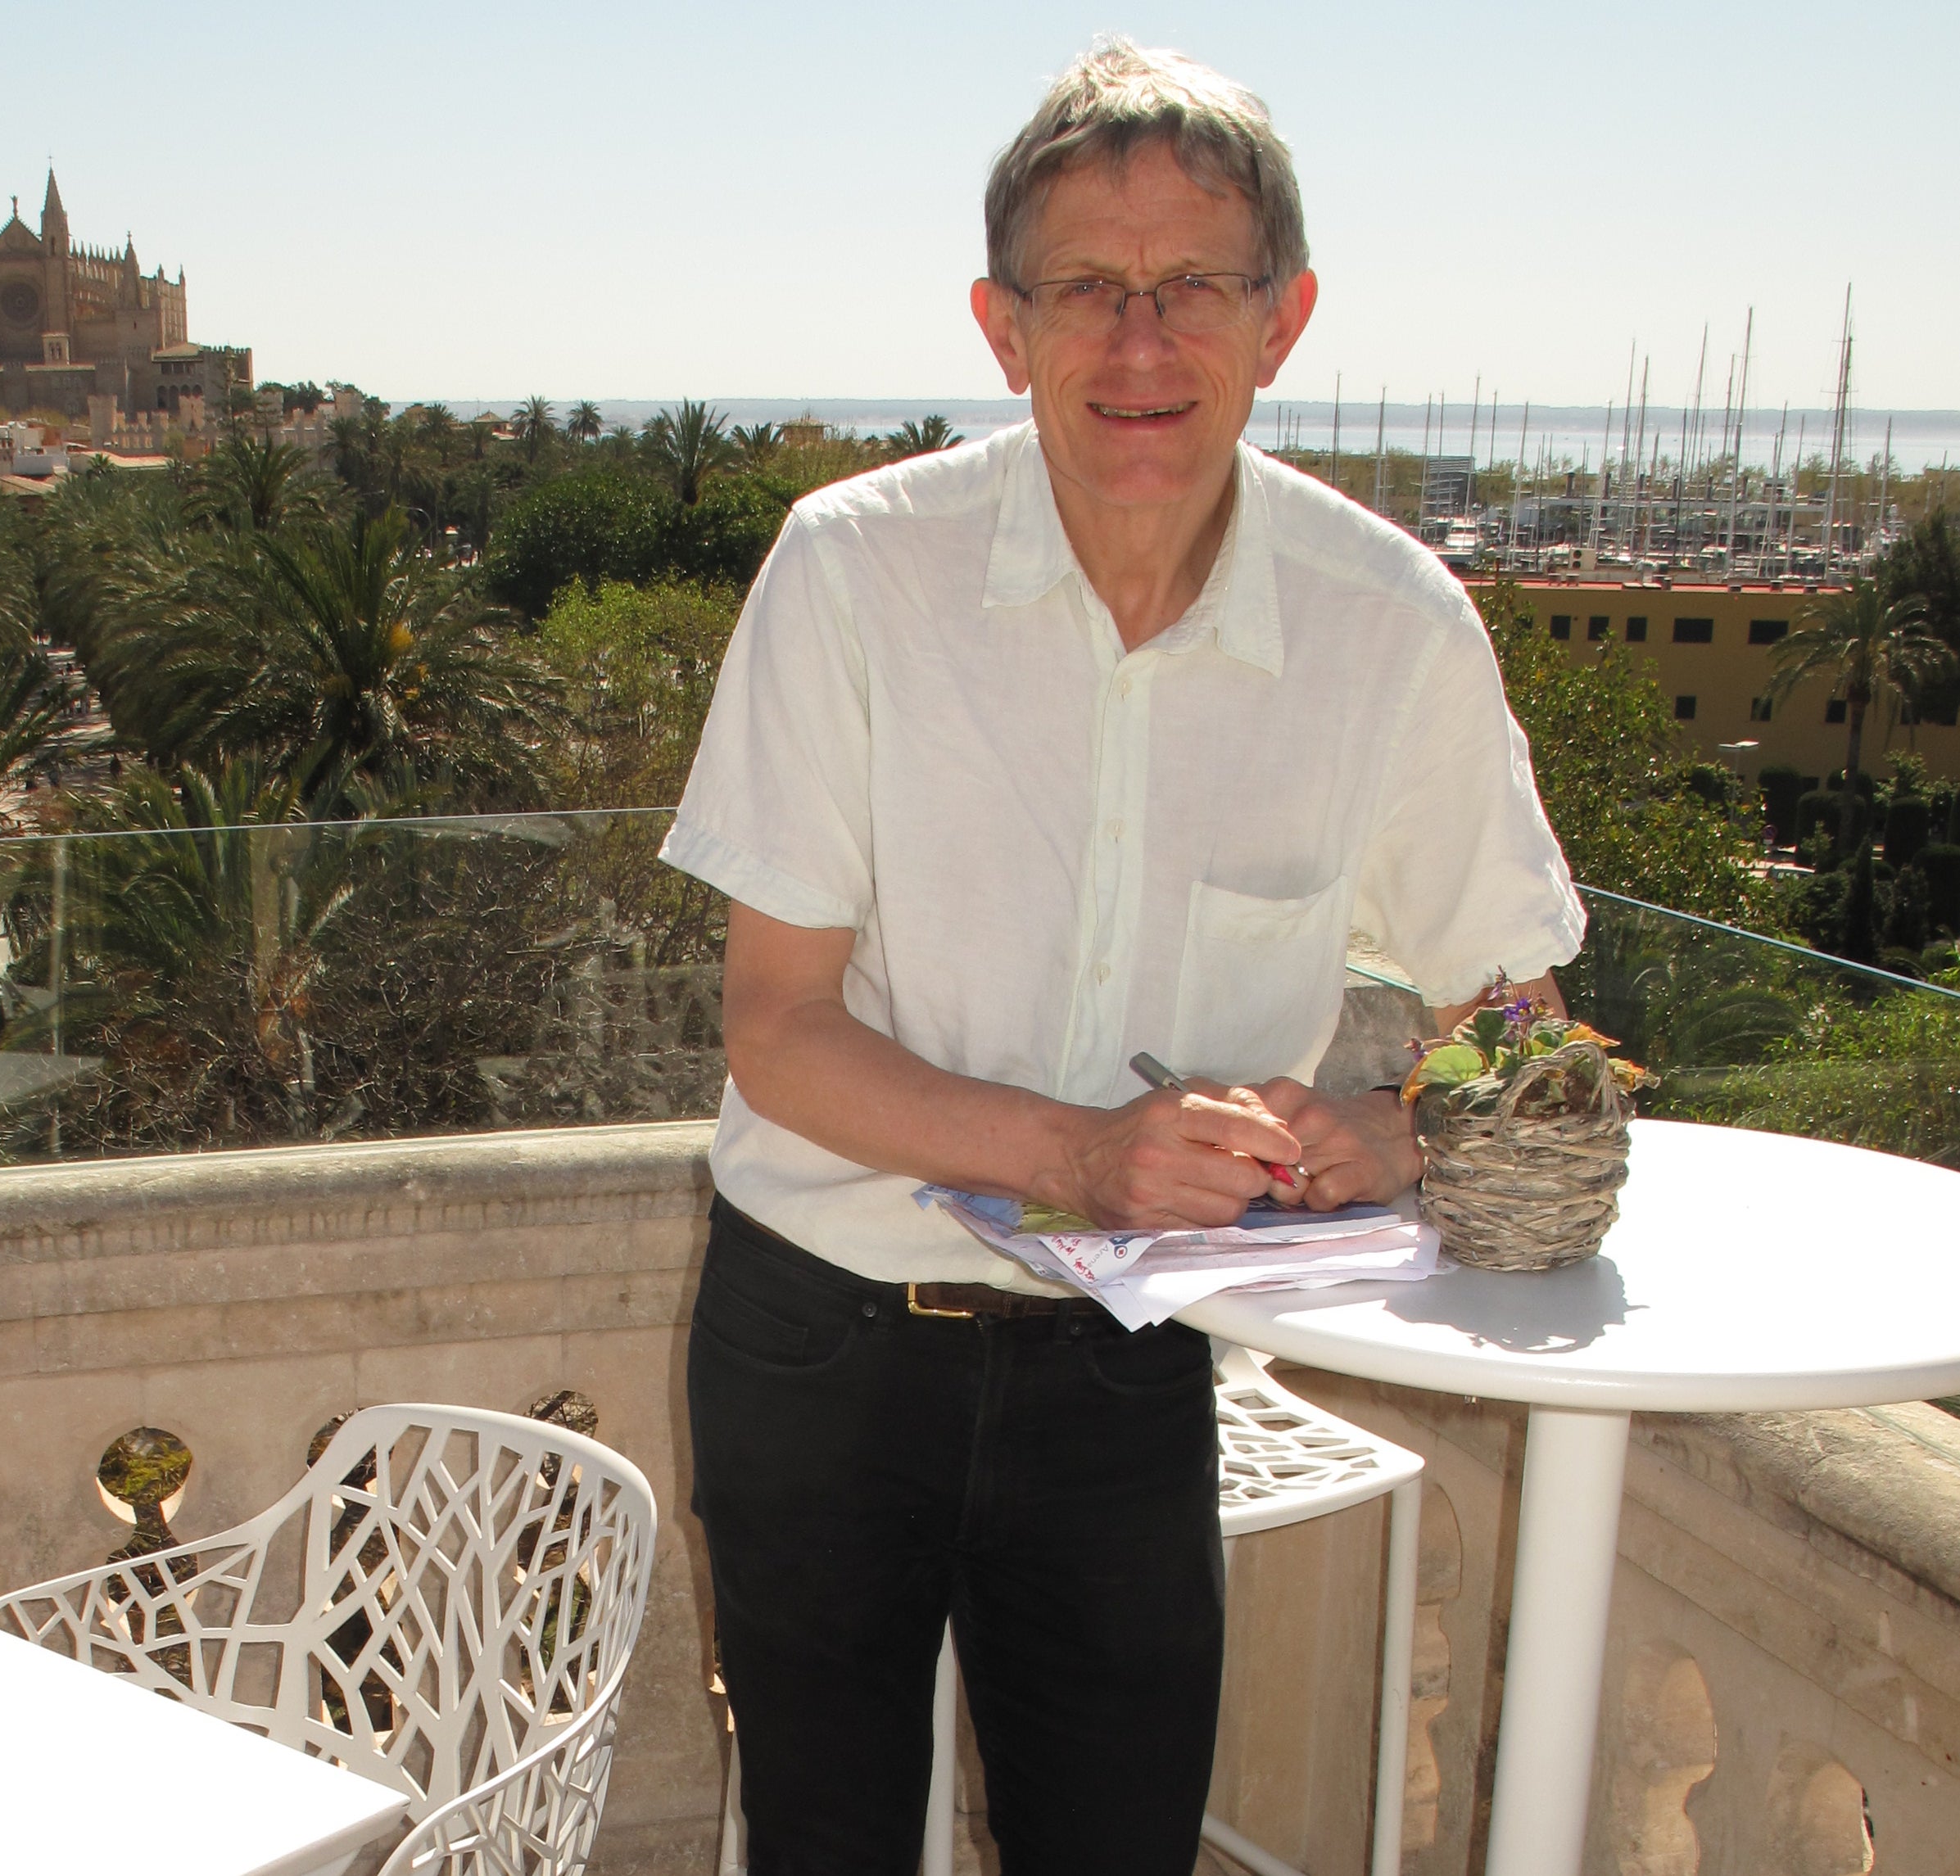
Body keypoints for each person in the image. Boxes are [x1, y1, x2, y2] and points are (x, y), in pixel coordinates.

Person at [659, 40, 1582, 1874]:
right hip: (816, 1339)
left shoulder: (1387, 623)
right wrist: (1084, 1153)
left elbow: (1515, 1033)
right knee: (820, 1846)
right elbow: (775, 1030)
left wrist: (1379, 1131)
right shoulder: (851, 570)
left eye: (1195, 288)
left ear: (1284, 316)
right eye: (1086, 288)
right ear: (1003, 328)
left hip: (1126, 1365)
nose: (1139, 344)